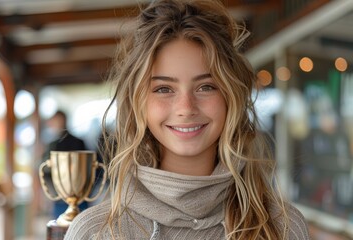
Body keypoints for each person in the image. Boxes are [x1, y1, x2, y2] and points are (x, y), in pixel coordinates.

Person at [64, 0, 311, 239]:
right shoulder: (95, 233)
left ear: (230, 96)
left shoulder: (282, 227)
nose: (186, 108)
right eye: (163, 89)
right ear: (138, 102)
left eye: (206, 86)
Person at [42, 110, 89, 220]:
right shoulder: (53, 144)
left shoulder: (76, 143)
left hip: (75, 195)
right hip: (62, 196)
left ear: (63, 120)